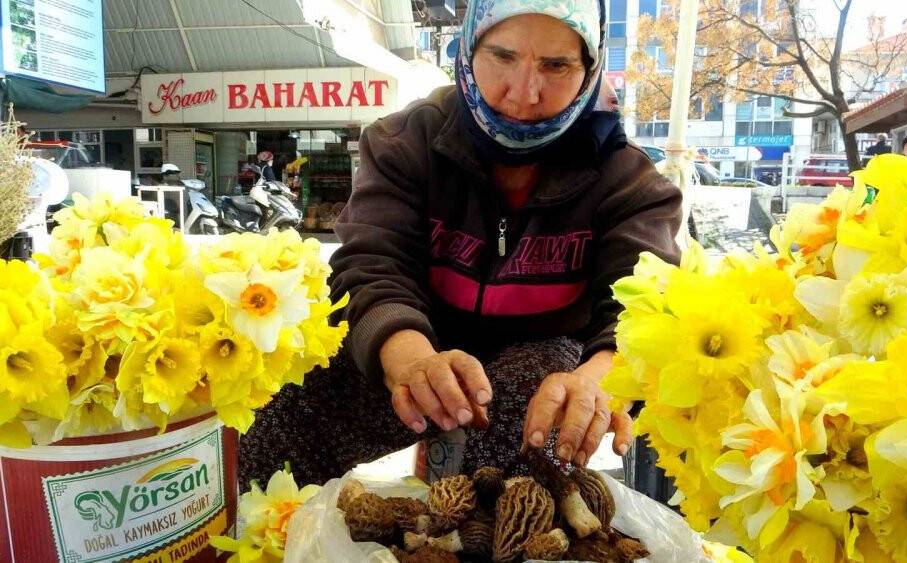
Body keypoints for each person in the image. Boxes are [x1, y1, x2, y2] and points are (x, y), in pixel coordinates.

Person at [239, 0, 681, 489]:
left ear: (590, 68)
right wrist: (409, 360)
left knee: (515, 460)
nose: (525, 92)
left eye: (557, 65)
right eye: (503, 56)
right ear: (469, 49)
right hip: (414, 337)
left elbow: (643, 303)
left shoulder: (627, 178)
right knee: (279, 425)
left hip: (543, 355)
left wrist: (599, 383)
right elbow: (372, 262)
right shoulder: (406, 140)